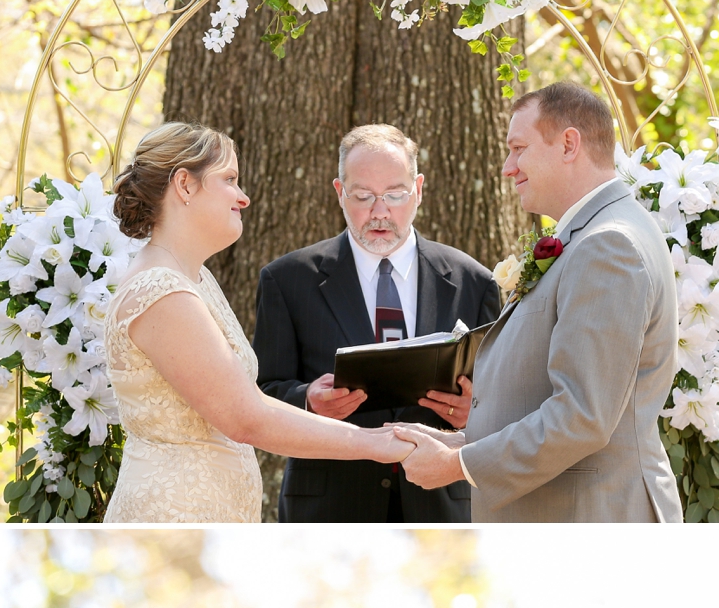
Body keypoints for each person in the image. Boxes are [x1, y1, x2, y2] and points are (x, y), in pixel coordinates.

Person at [395, 84, 683, 524]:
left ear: (569, 144)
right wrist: (465, 443)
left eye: (518, 149)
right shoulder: (593, 234)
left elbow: (582, 416)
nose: (508, 168)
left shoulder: (608, 246)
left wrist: (459, 465)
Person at [101, 125, 410, 525]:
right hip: (174, 517)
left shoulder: (194, 278)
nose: (243, 197)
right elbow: (246, 418)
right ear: (185, 185)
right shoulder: (161, 292)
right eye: (229, 180)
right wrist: (375, 443)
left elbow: (245, 399)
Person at [253, 124, 501, 525]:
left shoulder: (473, 281)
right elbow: (261, 394)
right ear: (339, 192)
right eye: (363, 196)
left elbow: (504, 401)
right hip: (328, 509)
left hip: (442, 508)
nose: (380, 211)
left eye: (395, 194)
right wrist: (307, 401)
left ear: (418, 189)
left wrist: (473, 413)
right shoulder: (287, 280)